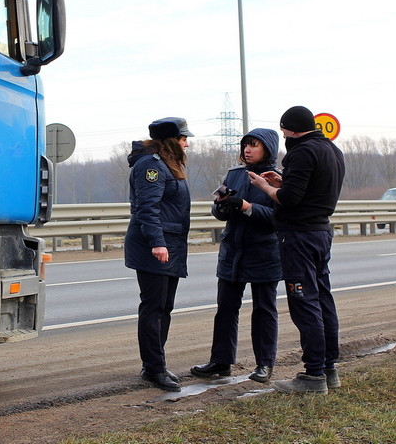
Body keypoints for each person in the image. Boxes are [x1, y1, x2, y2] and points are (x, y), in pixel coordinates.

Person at [248, 105, 345, 394]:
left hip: (299, 236)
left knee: (304, 302)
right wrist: (283, 180)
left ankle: (312, 374)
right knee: (323, 299)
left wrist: (266, 186)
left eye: (283, 131)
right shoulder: (331, 150)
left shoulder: (301, 152)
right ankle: (329, 368)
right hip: (320, 231)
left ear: (289, 130)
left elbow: (289, 199)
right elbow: (308, 189)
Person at [191, 128, 282, 383]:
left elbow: (278, 218)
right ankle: (221, 361)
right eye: (245, 145)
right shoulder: (234, 175)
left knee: (264, 309)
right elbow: (219, 212)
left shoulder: (277, 179)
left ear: (268, 149)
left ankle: (264, 364)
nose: (248, 150)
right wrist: (222, 206)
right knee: (226, 308)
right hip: (233, 250)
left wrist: (246, 207)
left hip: (265, 251)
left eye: (254, 145)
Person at [124, 116, 193, 392]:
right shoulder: (150, 166)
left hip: (170, 244)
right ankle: (154, 368)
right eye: (183, 138)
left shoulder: (167, 164)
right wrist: (157, 242)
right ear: (170, 140)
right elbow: (147, 207)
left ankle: (155, 363)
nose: (187, 143)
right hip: (154, 246)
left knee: (164, 307)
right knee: (153, 308)